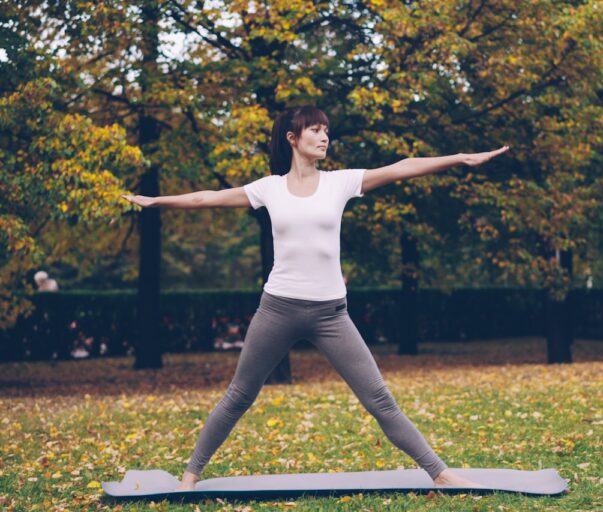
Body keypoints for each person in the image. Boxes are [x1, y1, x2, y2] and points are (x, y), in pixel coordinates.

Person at [122, 106, 508, 491]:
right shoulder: (268, 189)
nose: (324, 137)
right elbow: (205, 199)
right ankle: (189, 477)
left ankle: (439, 472)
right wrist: (157, 202)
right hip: (277, 309)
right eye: (315, 131)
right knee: (239, 396)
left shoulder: (340, 182)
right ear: (293, 138)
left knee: (380, 400)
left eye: (326, 130)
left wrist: (459, 158)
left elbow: (401, 166)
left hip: (331, 315)